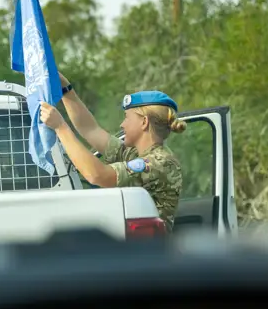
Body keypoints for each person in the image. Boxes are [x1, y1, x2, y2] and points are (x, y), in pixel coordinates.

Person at [39, 73, 187, 230]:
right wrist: (65, 88)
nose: (122, 124)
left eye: (127, 118)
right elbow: (90, 129)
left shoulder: (159, 162)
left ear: (144, 122)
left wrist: (60, 127)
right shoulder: (136, 154)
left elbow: (96, 175)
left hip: (147, 252)